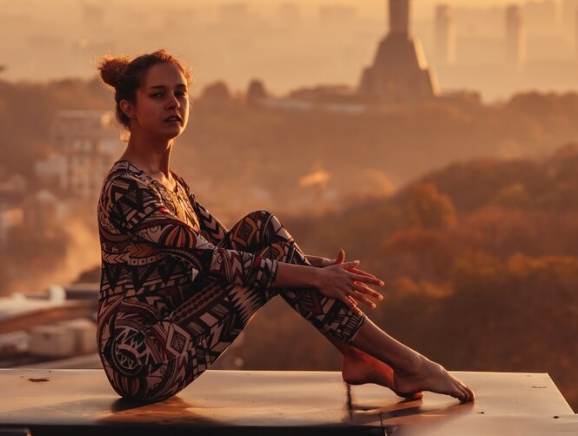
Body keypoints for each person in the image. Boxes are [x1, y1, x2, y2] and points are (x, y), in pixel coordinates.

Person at [95, 49, 474, 404]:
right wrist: (310, 278)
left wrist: (312, 266)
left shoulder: (171, 183)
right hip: (140, 360)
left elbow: (239, 252)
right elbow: (214, 261)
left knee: (261, 229)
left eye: (180, 93)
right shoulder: (128, 186)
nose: (173, 103)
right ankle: (405, 363)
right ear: (128, 107)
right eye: (158, 95)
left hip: (173, 336)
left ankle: (362, 357)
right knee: (267, 240)